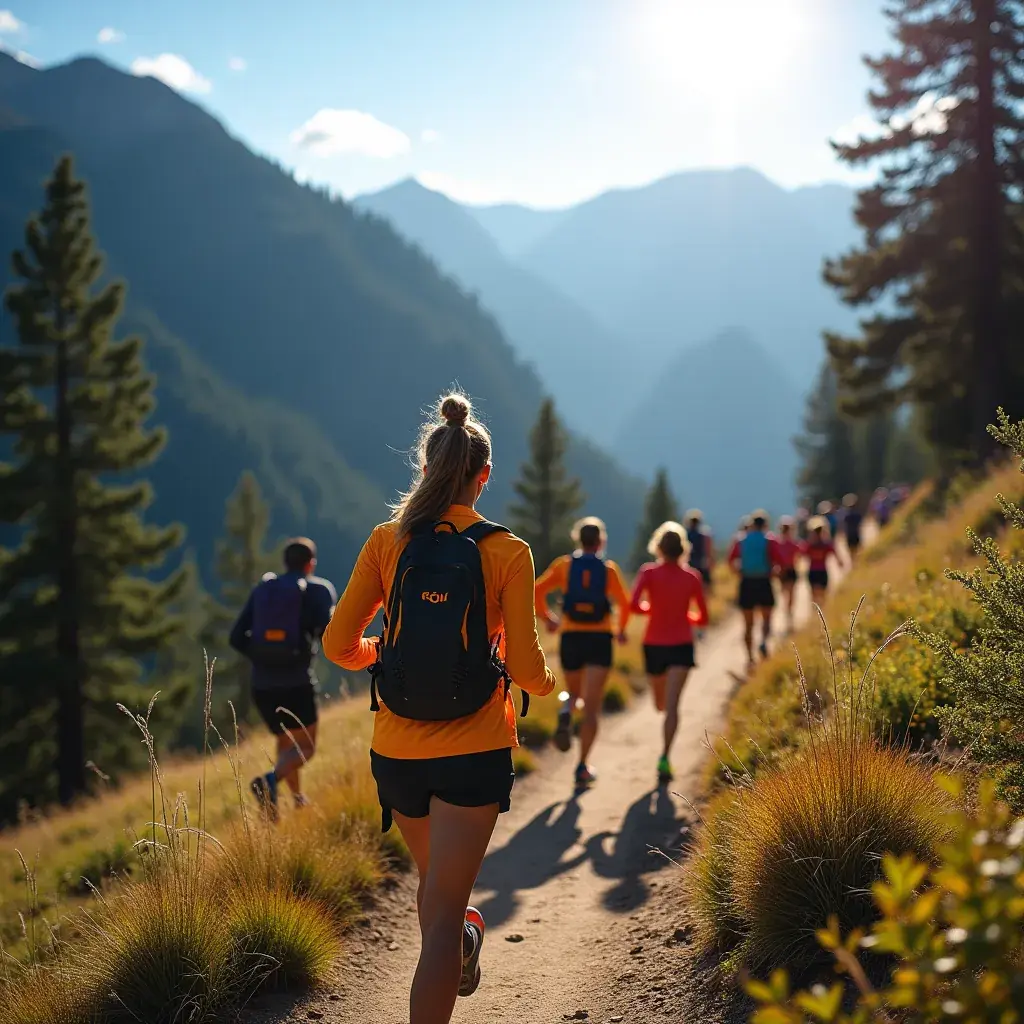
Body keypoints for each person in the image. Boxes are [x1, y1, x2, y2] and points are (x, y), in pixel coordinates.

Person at [321, 393, 556, 1023]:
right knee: (444, 911)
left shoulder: (387, 541)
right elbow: (527, 668)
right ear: (484, 477)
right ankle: (460, 940)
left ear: (425, 469)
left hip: (398, 752)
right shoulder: (508, 551)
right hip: (474, 751)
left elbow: (337, 646)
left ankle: (461, 938)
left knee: (437, 889)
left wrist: (383, 654)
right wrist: (546, 684)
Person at [230, 537, 337, 817]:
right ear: (310, 564)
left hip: (262, 686)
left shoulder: (264, 589)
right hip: (296, 684)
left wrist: (264, 658)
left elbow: (236, 637)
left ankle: (297, 798)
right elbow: (329, 635)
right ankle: (269, 781)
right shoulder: (318, 590)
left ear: (285, 562)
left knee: (285, 742)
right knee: (306, 746)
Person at [535, 516, 631, 788]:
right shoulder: (609, 570)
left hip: (572, 637)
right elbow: (624, 604)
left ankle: (566, 708)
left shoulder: (564, 565)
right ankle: (582, 766)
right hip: (600, 639)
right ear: (601, 541)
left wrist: (549, 618)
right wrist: (621, 630)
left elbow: (536, 590)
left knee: (573, 692)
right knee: (592, 706)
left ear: (577, 539)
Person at [630, 522, 708, 784]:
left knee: (662, 704)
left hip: (654, 644)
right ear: (683, 549)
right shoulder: (692, 577)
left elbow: (634, 605)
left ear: (659, 548)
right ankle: (665, 755)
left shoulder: (648, 572)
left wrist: (653, 609)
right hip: (682, 645)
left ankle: (664, 757)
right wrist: (685, 616)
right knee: (668, 705)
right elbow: (703, 617)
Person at [728, 510, 779, 667]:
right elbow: (779, 561)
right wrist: (773, 572)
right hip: (764, 581)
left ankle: (750, 657)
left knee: (748, 624)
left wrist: (739, 572)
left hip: (747, 582)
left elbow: (731, 560)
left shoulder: (741, 540)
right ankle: (763, 642)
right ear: (765, 525)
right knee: (767, 618)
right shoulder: (769, 540)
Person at [803, 516, 847, 604]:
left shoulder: (810, 544)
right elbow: (835, 553)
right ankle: (820, 609)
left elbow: (802, 555)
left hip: (813, 571)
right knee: (822, 594)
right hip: (822, 571)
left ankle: (815, 609)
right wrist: (840, 562)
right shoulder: (825, 544)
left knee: (814, 595)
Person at [774, 516, 800, 632]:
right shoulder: (793, 543)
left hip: (782, 571)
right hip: (790, 570)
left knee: (784, 593)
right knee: (791, 594)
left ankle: (787, 614)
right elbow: (798, 556)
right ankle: (789, 614)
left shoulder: (777, 543)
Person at [684, 509, 715, 588]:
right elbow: (708, 552)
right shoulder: (704, 536)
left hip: (688, 566)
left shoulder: (685, 535)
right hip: (701, 566)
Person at [841, 493, 864, 559]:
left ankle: (853, 560)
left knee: (851, 550)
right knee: (856, 549)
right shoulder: (857, 514)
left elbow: (844, 524)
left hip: (849, 534)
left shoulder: (846, 515)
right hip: (855, 533)